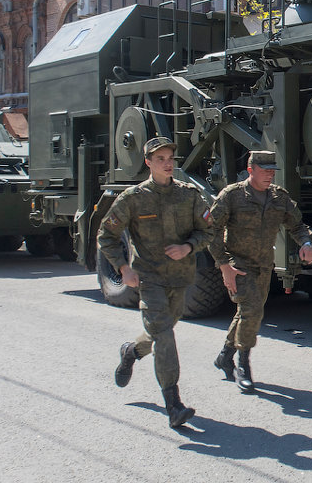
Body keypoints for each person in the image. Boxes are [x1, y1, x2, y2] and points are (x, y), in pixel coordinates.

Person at [97, 136, 212, 428]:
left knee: (161, 331)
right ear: (148, 163)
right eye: (160, 159)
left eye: (170, 158)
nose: (167, 164)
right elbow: (106, 236)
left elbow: (208, 231)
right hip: (149, 279)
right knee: (164, 335)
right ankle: (173, 404)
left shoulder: (189, 195)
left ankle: (131, 351)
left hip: (181, 278)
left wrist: (188, 247)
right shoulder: (133, 198)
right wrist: (123, 268)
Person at [208, 149, 312, 393]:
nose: (269, 176)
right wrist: (224, 266)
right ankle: (242, 365)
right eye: (264, 171)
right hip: (238, 264)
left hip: (263, 264)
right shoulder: (232, 196)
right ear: (250, 170)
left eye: (272, 171)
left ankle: (225, 355)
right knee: (251, 311)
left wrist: (306, 243)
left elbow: (297, 225)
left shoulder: (279, 198)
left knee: (247, 312)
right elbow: (211, 230)